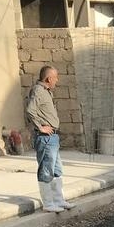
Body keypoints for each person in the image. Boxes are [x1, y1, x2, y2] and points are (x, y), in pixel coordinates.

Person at [25, 65, 73, 212]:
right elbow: (30, 110)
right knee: (46, 169)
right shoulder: (38, 91)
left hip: (52, 137)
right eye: (55, 78)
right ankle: (48, 203)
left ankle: (58, 200)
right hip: (45, 137)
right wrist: (40, 127)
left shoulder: (46, 91)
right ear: (48, 78)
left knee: (57, 169)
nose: (57, 80)